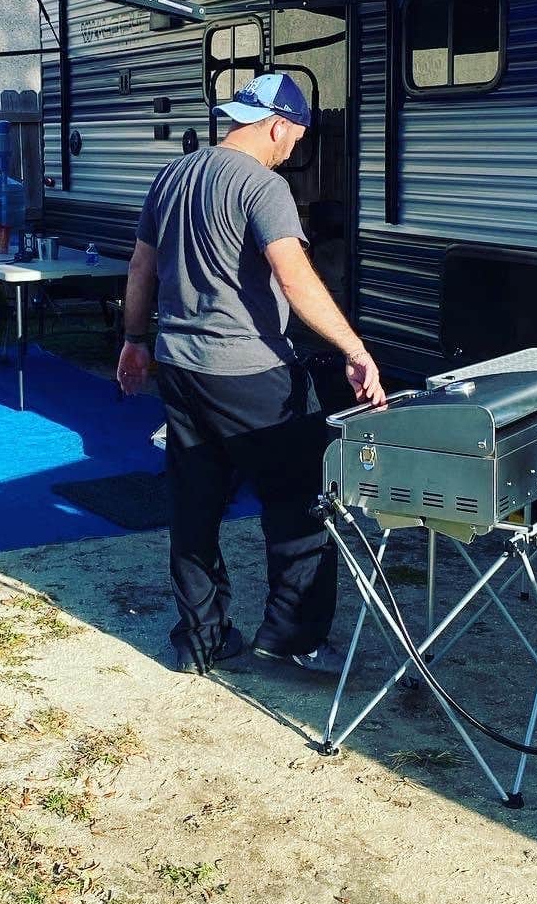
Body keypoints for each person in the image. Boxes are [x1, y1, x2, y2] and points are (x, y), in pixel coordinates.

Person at [115, 72, 386, 676]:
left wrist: (135, 341)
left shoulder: (173, 175)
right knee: (302, 502)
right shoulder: (264, 187)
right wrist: (353, 347)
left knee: (196, 505)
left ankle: (201, 640)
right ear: (277, 124)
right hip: (251, 371)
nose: (294, 148)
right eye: (296, 136)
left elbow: (141, 266)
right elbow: (293, 276)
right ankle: (294, 639)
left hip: (181, 368)